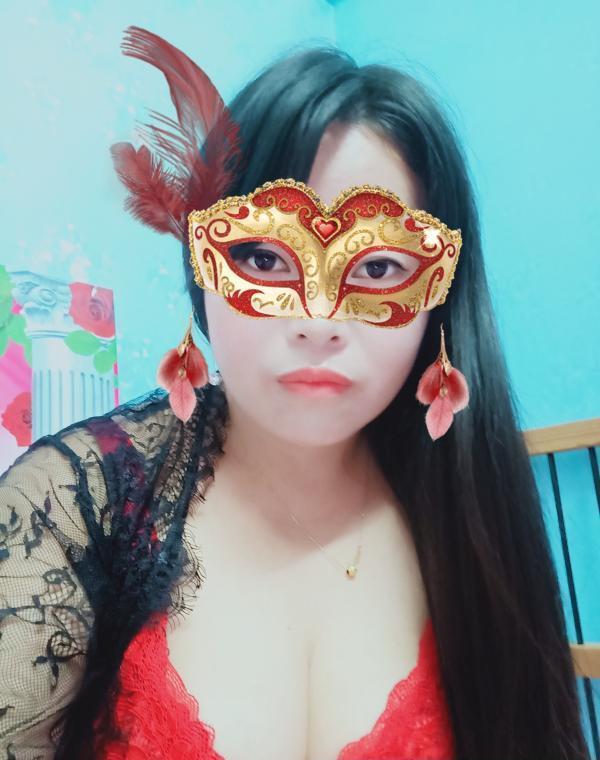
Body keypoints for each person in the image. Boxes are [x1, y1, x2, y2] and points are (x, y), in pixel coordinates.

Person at [0, 25, 590, 760]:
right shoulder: (68, 510)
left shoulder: (473, 507)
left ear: (438, 294)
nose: (318, 320)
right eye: (262, 255)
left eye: (378, 268)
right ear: (202, 269)